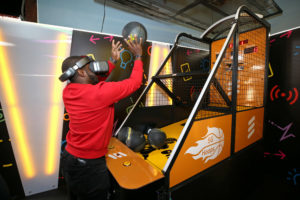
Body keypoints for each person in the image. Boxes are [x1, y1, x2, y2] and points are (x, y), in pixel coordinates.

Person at [60, 35, 144, 200]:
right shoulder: (99, 93)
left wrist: (112, 61)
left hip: (69, 158)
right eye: (91, 67)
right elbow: (135, 82)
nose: (95, 69)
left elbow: (94, 84)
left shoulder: (68, 91)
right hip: (90, 165)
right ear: (82, 72)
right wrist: (138, 56)